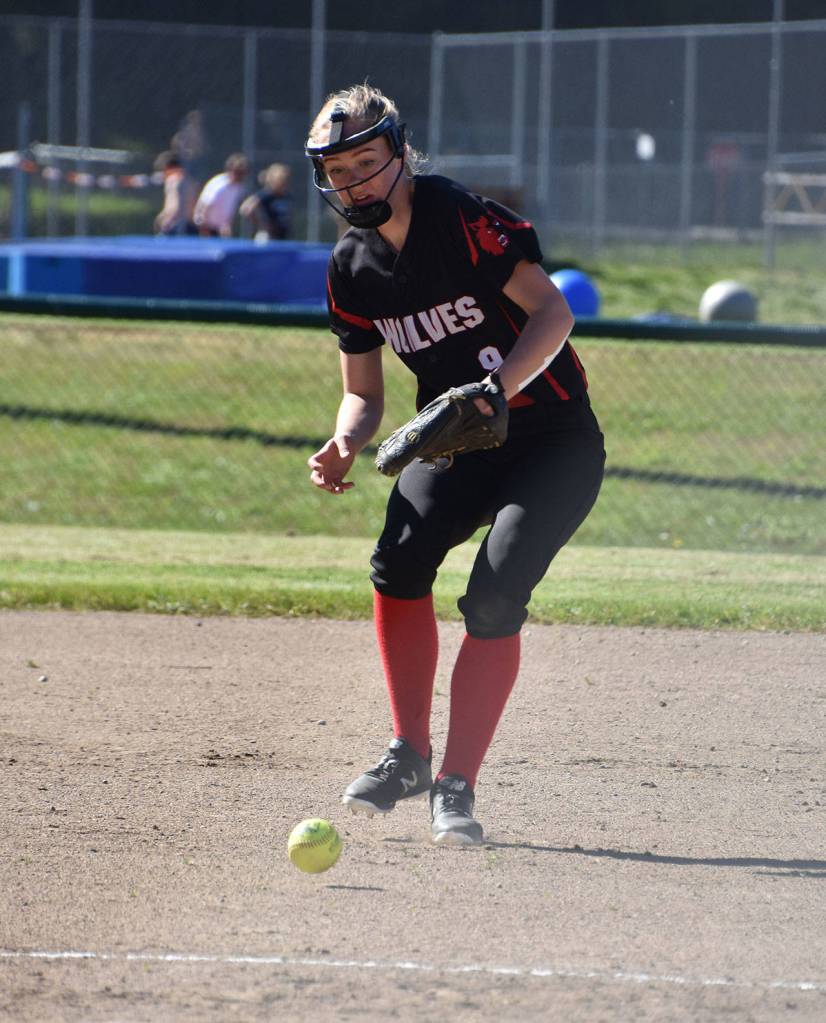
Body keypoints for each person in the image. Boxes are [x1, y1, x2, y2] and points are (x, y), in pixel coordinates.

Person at [305, 84, 605, 847]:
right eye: (338, 172)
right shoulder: (351, 268)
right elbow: (362, 395)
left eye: (367, 163)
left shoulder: (457, 216)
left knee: (496, 594)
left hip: (552, 442)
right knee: (397, 561)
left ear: (401, 154)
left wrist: (493, 388)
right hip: (456, 441)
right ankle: (409, 752)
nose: (355, 183)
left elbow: (553, 312)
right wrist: (344, 439)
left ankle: (456, 784)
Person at [192, 153, 249, 238]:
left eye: (242, 173)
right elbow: (204, 206)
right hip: (207, 228)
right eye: (237, 172)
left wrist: (226, 225)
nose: (240, 176)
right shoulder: (220, 185)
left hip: (220, 228)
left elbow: (229, 208)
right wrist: (204, 228)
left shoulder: (239, 188)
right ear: (230, 170)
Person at [240, 162, 293, 241]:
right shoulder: (266, 194)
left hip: (282, 236)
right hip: (269, 236)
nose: (284, 184)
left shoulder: (286, 196)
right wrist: (261, 225)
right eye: (282, 181)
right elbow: (245, 209)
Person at [152, 151, 199, 236]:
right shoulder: (190, 181)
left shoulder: (173, 181)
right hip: (190, 225)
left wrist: (166, 219)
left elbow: (175, 205)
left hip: (174, 226)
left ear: (167, 168)